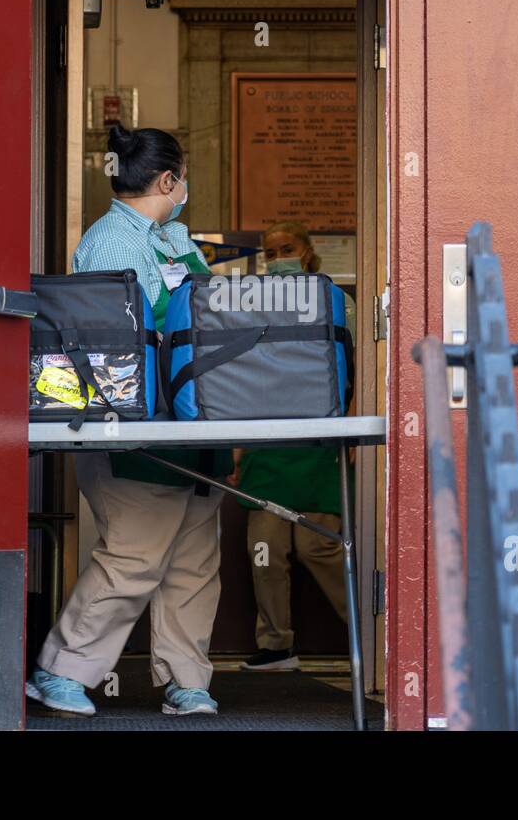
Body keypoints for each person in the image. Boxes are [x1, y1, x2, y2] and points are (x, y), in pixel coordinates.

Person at [26, 124, 231, 717]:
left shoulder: (172, 237)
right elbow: (118, 349)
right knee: (135, 555)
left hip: (191, 421)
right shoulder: (115, 244)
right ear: (168, 179)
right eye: (182, 177)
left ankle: (186, 680)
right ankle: (62, 670)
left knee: (194, 560)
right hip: (134, 426)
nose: (183, 186)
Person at [230, 221, 352, 672]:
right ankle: (277, 645)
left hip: (319, 442)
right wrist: (237, 453)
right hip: (267, 442)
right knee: (264, 551)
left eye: (287, 248)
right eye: (271, 251)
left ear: (307, 251)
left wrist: (352, 434)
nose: (279, 256)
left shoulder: (337, 303)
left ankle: (372, 632)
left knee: (318, 547)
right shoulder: (253, 306)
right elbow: (241, 381)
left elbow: (356, 367)